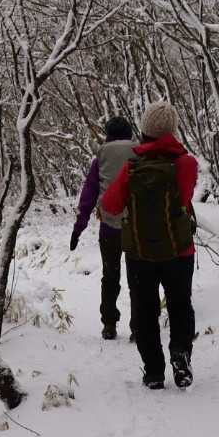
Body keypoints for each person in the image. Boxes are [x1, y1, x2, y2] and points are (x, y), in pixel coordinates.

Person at [100, 100, 198, 390]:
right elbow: (184, 199)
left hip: (139, 253)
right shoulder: (187, 164)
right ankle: (180, 354)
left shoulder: (131, 168)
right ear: (172, 131)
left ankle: (154, 372)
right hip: (179, 250)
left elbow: (110, 205)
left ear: (143, 131)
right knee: (180, 305)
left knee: (144, 310)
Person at [70, 115, 137, 339]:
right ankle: (139, 326)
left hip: (109, 226)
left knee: (110, 276)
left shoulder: (101, 157)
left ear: (108, 135)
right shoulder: (140, 152)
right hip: (136, 227)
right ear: (129, 133)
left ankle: (109, 324)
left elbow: (88, 195)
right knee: (138, 277)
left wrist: (78, 228)